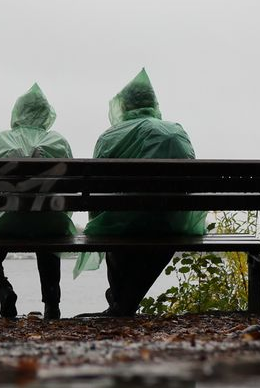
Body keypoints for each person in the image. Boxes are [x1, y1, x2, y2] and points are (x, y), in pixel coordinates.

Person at [82, 69, 205, 315]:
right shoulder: (176, 132)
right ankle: (124, 304)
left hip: (123, 224)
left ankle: (122, 304)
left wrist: (99, 220)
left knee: (117, 227)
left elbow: (96, 192)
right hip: (171, 223)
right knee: (161, 228)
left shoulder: (109, 137)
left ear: (123, 106)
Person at [0, 83, 74, 320]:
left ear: (17, 112)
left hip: (6, 222)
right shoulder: (58, 142)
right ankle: (52, 305)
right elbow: (70, 191)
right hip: (49, 223)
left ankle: (3, 290)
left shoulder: (0, 141)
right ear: (46, 114)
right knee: (49, 236)